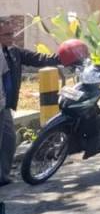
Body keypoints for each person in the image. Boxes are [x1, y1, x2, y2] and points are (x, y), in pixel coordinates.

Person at [1, 19, 60, 186]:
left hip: (4, 105)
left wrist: (64, 57)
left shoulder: (13, 52)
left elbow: (38, 58)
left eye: (12, 33)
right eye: (7, 34)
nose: (11, 37)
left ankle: (3, 177)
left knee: (8, 140)